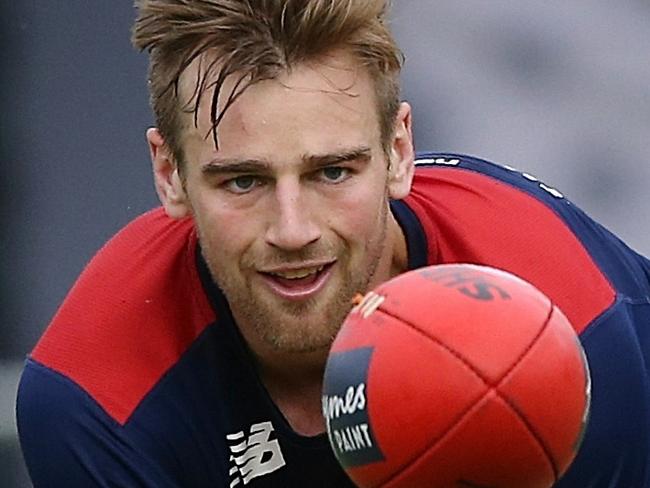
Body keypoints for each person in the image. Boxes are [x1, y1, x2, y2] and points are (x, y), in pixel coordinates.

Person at [16, 0, 650, 486]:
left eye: (332, 172)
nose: (293, 230)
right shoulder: (94, 399)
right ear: (169, 176)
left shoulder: (567, 329)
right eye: (243, 180)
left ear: (399, 153)